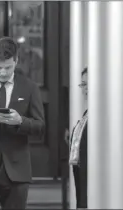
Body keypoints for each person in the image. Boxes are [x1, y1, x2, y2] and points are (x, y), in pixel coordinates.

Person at [0, 37, 45, 209]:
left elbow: (40, 126)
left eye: (8, 67)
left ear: (16, 61)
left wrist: (20, 121)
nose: (3, 72)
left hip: (17, 170)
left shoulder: (29, 87)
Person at [69, 67, 88, 209]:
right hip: (81, 174)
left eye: (89, 84)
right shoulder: (87, 113)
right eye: (83, 84)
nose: (85, 89)